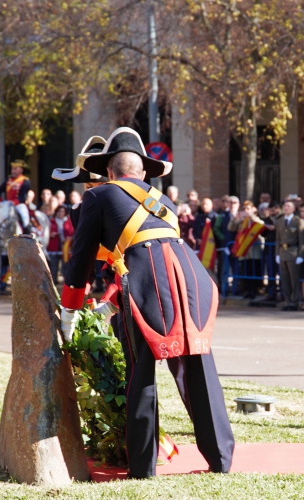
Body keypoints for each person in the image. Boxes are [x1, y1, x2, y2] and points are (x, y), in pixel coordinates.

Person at [59, 127, 234, 479]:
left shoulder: (99, 197)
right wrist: (110, 299)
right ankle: (221, 459)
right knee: (199, 367)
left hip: (149, 286)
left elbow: (82, 257)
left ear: (109, 172)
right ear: (141, 173)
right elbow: (131, 252)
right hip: (190, 281)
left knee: (142, 370)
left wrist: (70, 309)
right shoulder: (163, 201)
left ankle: (142, 465)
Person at [227, 200, 264, 299]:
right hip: (245, 251)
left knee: (254, 271)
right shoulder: (242, 221)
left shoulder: (255, 219)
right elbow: (230, 228)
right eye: (244, 209)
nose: (246, 211)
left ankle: (254, 290)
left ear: (252, 209)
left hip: (254, 251)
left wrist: (252, 217)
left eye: (248, 209)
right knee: (246, 271)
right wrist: (235, 219)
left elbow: (262, 225)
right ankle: (247, 290)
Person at [275, 199, 304, 311]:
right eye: (285, 206)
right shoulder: (280, 221)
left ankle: (295, 302)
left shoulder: (298, 221)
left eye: (288, 206)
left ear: (293, 209)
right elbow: (278, 239)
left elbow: (302, 240)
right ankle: (287, 301)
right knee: (285, 279)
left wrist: (301, 255)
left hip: (293, 252)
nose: (286, 208)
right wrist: (277, 254)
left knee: (294, 279)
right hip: (283, 252)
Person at [0, 159, 32, 233]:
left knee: (25, 219)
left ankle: (27, 237)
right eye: (12, 169)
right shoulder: (8, 180)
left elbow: (22, 196)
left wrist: (13, 203)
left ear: (21, 170)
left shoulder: (25, 181)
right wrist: (0, 202)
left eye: (15, 169)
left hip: (19, 205)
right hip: (7, 204)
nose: (13, 171)